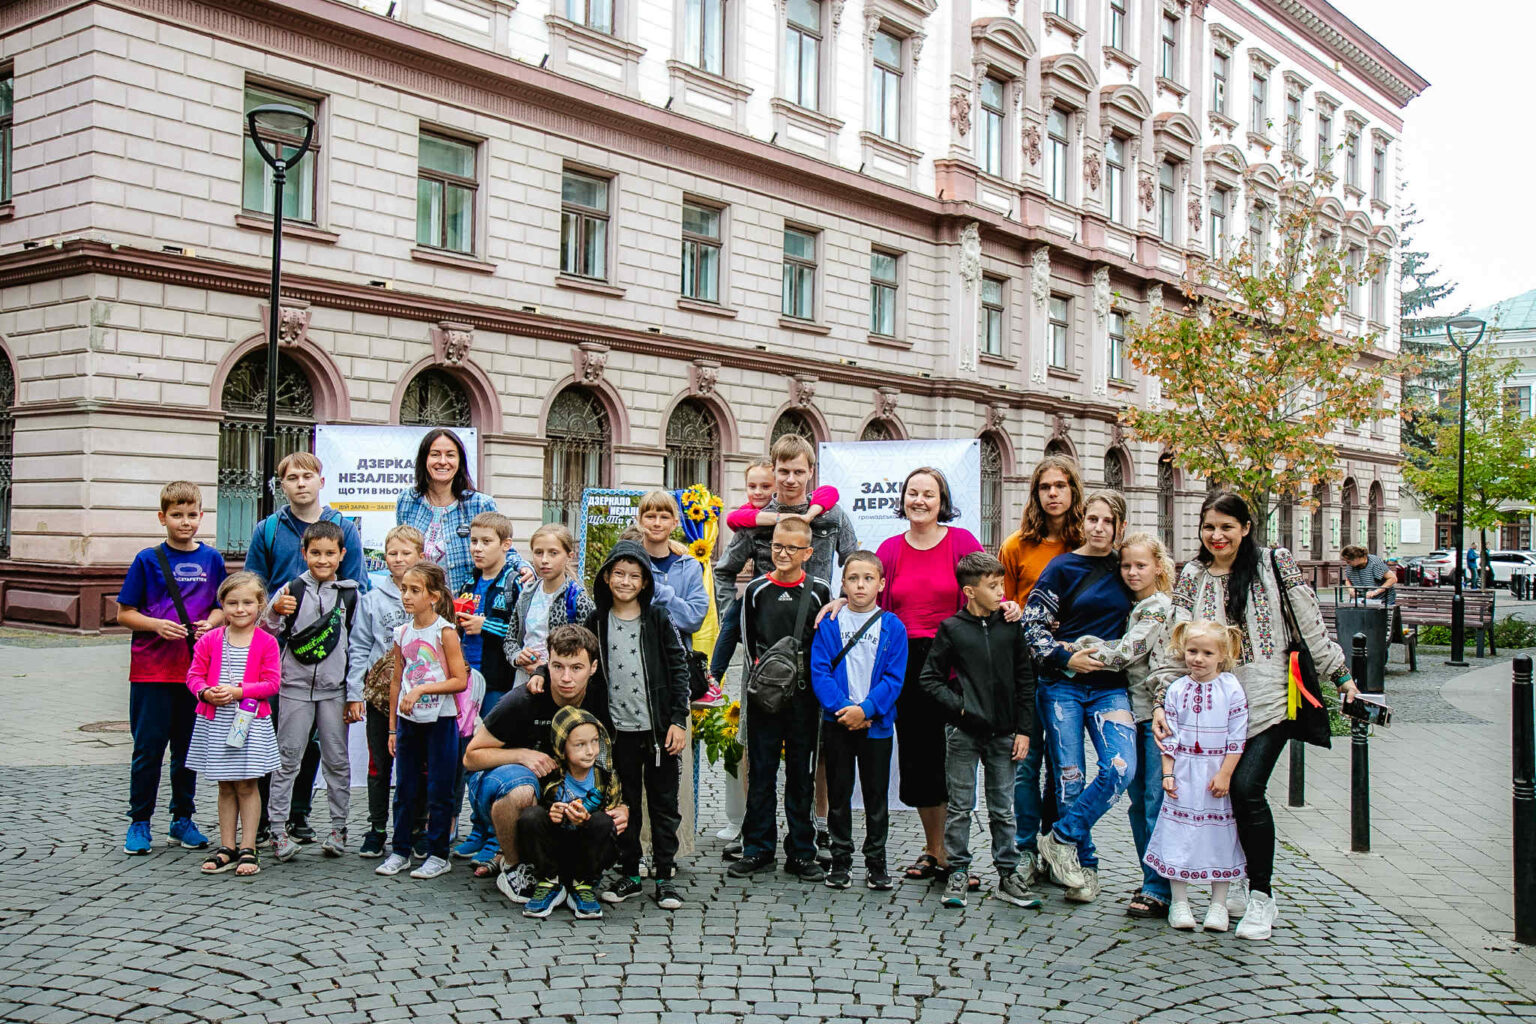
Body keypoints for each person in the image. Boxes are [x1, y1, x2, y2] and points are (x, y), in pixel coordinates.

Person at [1150, 490, 1360, 940]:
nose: (1217, 535)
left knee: (1246, 789)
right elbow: (1174, 644)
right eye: (1209, 527)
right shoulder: (1193, 574)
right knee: (1218, 796)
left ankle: (1262, 895)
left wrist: (1342, 678)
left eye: (1227, 526)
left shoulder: (1273, 563)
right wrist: (1161, 701)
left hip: (1268, 703)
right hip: (1212, 712)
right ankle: (1234, 883)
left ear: (1245, 528)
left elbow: (1311, 625)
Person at [868, 467, 986, 888]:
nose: (919, 500)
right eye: (912, 493)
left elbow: (987, 591)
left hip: (954, 662)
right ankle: (935, 850)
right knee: (919, 759)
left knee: (955, 758)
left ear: (942, 501)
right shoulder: (889, 549)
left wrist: (1006, 606)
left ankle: (958, 853)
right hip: (907, 663)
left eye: (928, 494)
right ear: (902, 499)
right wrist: (840, 603)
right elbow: (871, 600)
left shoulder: (962, 542)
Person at [248, 452, 368, 848]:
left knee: (327, 750)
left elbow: (357, 596)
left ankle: (304, 817)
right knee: (281, 743)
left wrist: (354, 685)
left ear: (321, 480)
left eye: (307, 476)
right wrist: (272, 610)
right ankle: (271, 823)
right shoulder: (268, 529)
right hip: (282, 660)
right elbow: (254, 585)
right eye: (292, 477)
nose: (301, 483)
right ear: (281, 484)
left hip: (332, 667)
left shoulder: (344, 529)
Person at [1024, 489, 1136, 906]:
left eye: (1108, 521)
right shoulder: (1062, 567)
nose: (1099, 528)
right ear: (1082, 521)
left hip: (1110, 688)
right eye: (1093, 519)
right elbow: (1032, 627)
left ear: (1120, 526)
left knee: (1120, 768)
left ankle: (1059, 839)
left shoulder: (1126, 568)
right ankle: (1085, 868)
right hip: (1063, 686)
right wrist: (1066, 657)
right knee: (1069, 778)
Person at [462, 624, 618, 906]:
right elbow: (471, 757)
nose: (566, 678)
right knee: (523, 787)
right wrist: (521, 755)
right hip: (500, 782)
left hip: (558, 792)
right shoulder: (523, 700)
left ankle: (568, 870)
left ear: (593, 668)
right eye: (557, 667)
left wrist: (621, 805)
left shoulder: (601, 699)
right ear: (548, 663)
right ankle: (513, 866)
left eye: (576, 668)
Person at [918, 552, 1040, 910]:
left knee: (1003, 808)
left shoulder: (1010, 626)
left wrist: (1024, 730)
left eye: (1001, 584)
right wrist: (960, 708)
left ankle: (1008, 874)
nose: (1001, 592)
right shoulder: (952, 629)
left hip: (1005, 733)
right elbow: (929, 678)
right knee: (960, 806)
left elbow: (1025, 680)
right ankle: (957, 870)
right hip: (963, 733)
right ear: (970, 591)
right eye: (993, 586)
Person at [118, 480, 227, 856]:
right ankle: (139, 822)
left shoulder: (212, 560)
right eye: (177, 515)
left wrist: (212, 622)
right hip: (151, 670)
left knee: (188, 751)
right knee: (148, 750)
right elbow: (125, 613)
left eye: (191, 515)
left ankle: (182, 819)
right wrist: (156, 625)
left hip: (195, 672)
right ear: (162, 517)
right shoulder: (147, 560)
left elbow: (221, 606)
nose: (185, 522)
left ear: (201, 516)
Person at [1072, 532, 1176, 919]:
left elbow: (1130, 650)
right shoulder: (1136, 605)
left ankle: (1159, 887)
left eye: (1141, 565)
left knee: (1153, 802)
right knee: (1140, 803)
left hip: (1157, 715)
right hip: (1137, 712)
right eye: (1126, 565)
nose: (1132, 572)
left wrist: (1076, 648)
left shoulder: (1157, 606)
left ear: (1158, 567)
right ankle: (1152, 879)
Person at [582, 539, 691, 910]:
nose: (625, 582)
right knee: (624, 803)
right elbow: (581, 666)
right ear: (607, 577)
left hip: (658, 732)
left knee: (664, 805)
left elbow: (678, 669)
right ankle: (630, 871)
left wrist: (678, 720)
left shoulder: (658, 619)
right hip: (617, 733)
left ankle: (664, 875)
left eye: (633, 576)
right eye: (619, 574)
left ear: (645, 582)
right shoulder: (596, 622)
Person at [728, 516, 833, 881]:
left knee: (802, 774)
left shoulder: (820, 591)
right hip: (765, 695)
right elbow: (747, 642)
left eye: (791, 547)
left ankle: (802, 851)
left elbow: (827, 642)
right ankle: (758, 848)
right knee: (761, 771)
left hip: (805, 696)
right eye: (777, 546)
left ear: (808, 552)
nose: (783, 553)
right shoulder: (756, 590)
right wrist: (759, 682)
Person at [999, 455, 1084, 884]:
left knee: (1063, 762)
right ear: (1035, 494)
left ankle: (1057, 843)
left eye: (1060, 486)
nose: (1053, 494)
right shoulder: (1017, 545)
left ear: (1073, 491)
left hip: (1073, 669)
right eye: (1045, 487)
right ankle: (1025, 848)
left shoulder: (1086, 544)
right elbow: (1003, 605)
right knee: (1026, 762)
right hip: (1028, 667)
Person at [263, 520, 363, 863]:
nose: (323, 560)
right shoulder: (290, 590)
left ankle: (338, 828)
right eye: (315, 553)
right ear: (304, 553)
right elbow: (266, 631)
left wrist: (354, 693)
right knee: (287, 758)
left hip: (334, 691)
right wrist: (275, 611)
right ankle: (278, 829)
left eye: (330, 553)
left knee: (337, 760)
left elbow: (358, 646)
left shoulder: (350, 595)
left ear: (342, 554)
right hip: (293, 687)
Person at [809, 551, 907, 891]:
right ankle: (840, 858)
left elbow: (894, 678)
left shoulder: (893, 626)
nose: (860, 585)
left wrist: (866, 710)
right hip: (838, 723)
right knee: (838, 794)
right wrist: (843, 709)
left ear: (881, 584)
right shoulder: (830, 623)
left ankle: (876, 861)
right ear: (843, 584)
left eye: (868, 579)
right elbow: (820, 672)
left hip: (876, 726)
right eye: (853, 579)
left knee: (876, 796)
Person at [1144, 620, 1249, 933]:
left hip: (1216, 773)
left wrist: (1225, 774)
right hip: (1185, 771)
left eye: (1207, 653)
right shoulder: (1176, 689)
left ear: (1222, 655)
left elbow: (1237, 736)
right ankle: (1180, 901)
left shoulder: (1230, 687)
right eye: (1192, 651)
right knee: (1180, 835)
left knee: (1220, 837)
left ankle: (1218, 904)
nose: (1198, 659)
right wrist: (1168, 773)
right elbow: (1169, 737)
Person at [375, 560, 469, 880]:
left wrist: (423, 689)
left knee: (439, 788)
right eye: (404, 589)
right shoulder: (402, 632)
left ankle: (438, 853)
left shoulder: (445, 632)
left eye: (415, 590)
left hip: (440, 720)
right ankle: (400, 850)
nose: (407, 596)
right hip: (408, 721)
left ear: (433, 596)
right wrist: (392, 727)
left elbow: (459, 680)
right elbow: (396, 681)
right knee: (405, 787)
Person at [185, 572, 280, 878]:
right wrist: (205, 692)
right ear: (222, 606)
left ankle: (248, 846)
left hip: (249, 723)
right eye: (232, 603)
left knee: (248, 784)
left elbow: (272, 683)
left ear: (260, 605)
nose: (240, 609)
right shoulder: (210, 640)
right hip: (216, 721)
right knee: (225, 785)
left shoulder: (266, 642)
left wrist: (239, 691)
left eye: (247, 603)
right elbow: (194, 675)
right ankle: (227, 846)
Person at [347, 524, 424, 860]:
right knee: (379, 765)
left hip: (421, 698)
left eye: (406, 553)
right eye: (392, 553)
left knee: (417, 766)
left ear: (420, 556)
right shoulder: (372, 600)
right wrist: (354, 692)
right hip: (381, 698)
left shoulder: (432, 597)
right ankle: (377, 828)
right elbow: (359, 647)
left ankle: (416, 828)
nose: (398, 559)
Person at [517, 706, 625, 920]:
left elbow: (612, 818)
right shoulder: (551, 774)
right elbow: (540, 810)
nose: (590, 751)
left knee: (603, 821)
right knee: (530, 816)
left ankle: (583, 884)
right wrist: (552, 813)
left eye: (595, 741)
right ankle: (549, 881)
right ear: (562, 748)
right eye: (580, 745)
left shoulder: (606, 777)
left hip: (586, 853)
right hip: (554, 849)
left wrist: (587, 820)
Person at [395, 428, 525, 595]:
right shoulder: (407, 501)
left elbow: (503, 548)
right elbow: (399, 547)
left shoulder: (479, 504)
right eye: (435, 454)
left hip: (466, 603)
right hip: (418, 603)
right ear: (424, 459)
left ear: (459, 461)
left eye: (450, 455)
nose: (443, 461)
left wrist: (523, 566)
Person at [636, 490, 709, 643]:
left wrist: (656, 589)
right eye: (650, 516)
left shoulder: (690, 567)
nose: (657, 523)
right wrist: (677, 609)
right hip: (636, 649)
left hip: (678, 655)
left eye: (664, 517)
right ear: (639, 520)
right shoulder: (630, 563)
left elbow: (694, 618)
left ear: (674, 523)